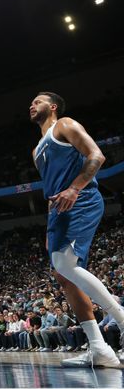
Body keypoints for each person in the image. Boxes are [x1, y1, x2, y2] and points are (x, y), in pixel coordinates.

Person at [30, 91, 122, 367]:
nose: (31, 105)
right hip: (58, 210)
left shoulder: (64, 125)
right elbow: (50, 190)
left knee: (64, 263)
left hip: (81, 198)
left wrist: (74, 188)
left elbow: (97, 156)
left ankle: (120, 318)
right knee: (64, 276)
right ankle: (98, 348)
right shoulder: (36, 150)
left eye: (38, 101)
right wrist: (49, 228)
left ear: (53, 106)